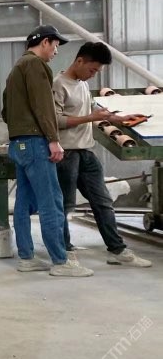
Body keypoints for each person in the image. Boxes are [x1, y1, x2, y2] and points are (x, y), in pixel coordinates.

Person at [2, 25, 93, 277]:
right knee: (51, 200)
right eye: (55, 45)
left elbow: (5, 111)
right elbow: (44, 106)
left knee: (23, 202)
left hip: (18, 144)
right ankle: (60, 261)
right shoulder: (36, 65)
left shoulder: (16, 68)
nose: (56, 51)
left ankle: (27, 257)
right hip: (35, 143)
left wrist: (20, 130)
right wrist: (53, 139)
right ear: (45, 42)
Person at [52, 41, 152, 268]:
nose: (93, 75)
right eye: (92, 70)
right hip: (66, 154)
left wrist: (119, 119)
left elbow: (92, 110)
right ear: (79, 61)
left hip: (85, 152)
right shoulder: (59, 85)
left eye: (97, 71)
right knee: (65, 205)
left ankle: (117, 250)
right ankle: (64, 251)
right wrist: (91, 118)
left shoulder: (82, 84)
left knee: (103, 201)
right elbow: (56, 121)